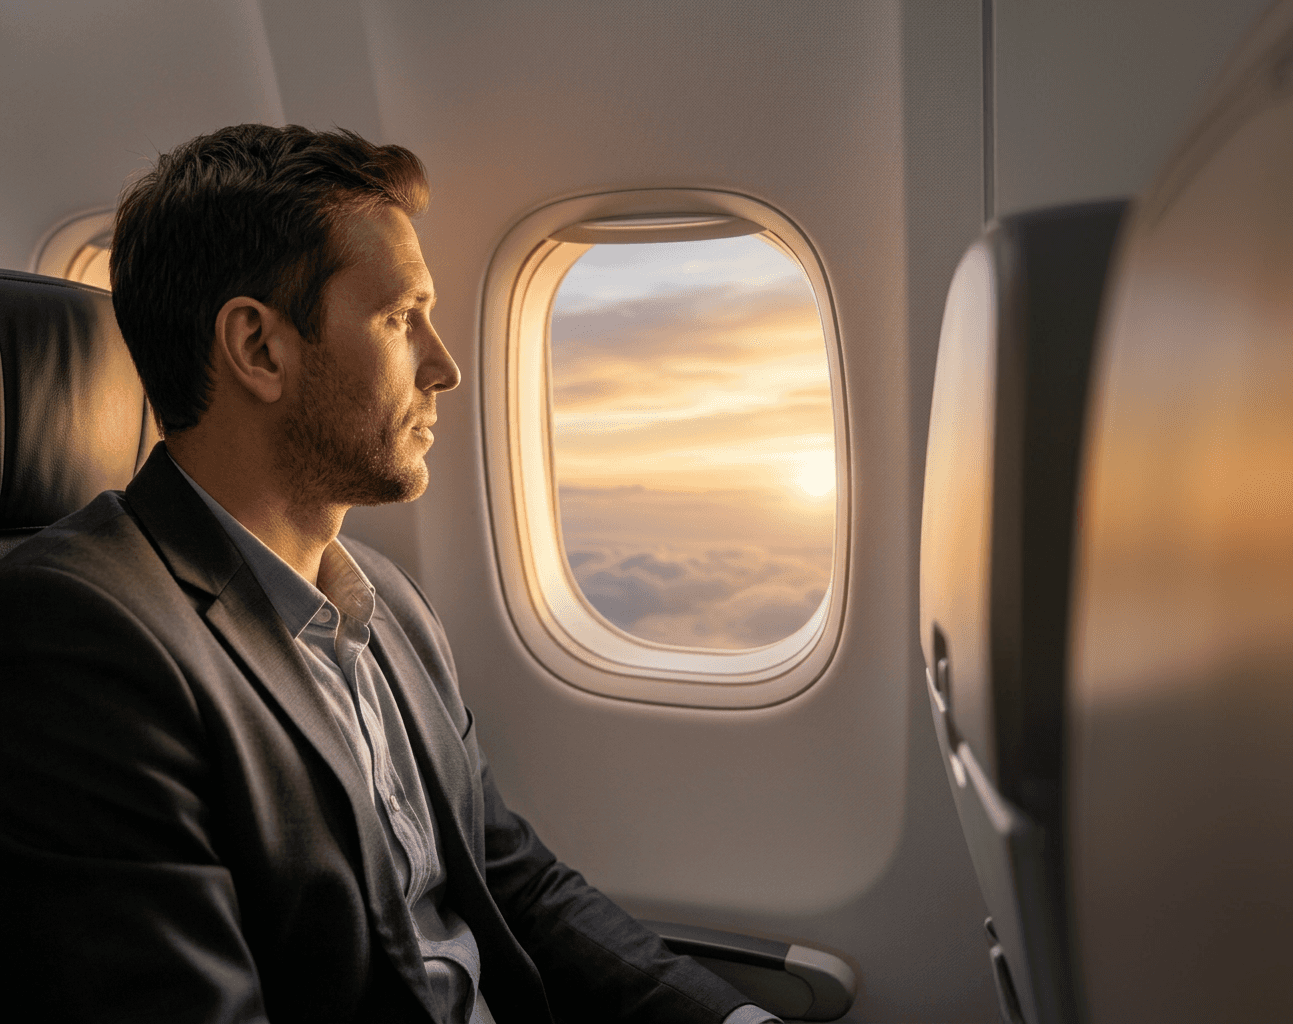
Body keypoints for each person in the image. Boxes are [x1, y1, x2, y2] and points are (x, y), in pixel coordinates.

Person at [0, 125, 778, 1024]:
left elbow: (509, 881)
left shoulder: (385, 602)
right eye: (401, 319)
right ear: (258, 348)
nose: (443, 367)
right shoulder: (77, 637)